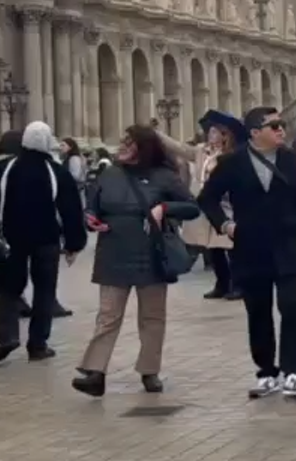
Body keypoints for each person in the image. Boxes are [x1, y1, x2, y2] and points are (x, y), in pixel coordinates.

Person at [199, 108, 296, 399]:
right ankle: (267, 372)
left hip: (287, 245)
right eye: (275, 125)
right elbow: (207, 198)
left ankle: (295, 372)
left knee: (292, 307)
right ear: (255, 132)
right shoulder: (232, 163)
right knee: (258, 311)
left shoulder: (294, 162)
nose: (282, 129)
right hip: (250, 248)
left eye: (282, 124)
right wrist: (225, 224)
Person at [75, 126, 203, 398]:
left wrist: (164, 208)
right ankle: (95, 372)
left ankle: (149, 370)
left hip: (151, 253)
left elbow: (192, 208)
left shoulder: (164, 176)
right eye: (123, 141)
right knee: (108, 316)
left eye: (128, 142)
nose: (122, 146)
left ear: (143, 148)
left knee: (152, 317)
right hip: (113, 252)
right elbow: (91, 206)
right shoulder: (109, 174)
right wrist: (90, 219)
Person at [0, 121, 88, 364]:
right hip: (46, 239)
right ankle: (38, 344)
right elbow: (70, 210)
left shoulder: (3, 168)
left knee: (7, 287)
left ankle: (8, 335)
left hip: (11, 238)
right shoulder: (56, 171)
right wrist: (74, 243)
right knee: (44, 291)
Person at [184, 116, 244, 301]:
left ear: (224, 135)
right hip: (207, 203)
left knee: (231, 247)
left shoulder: (233, 154)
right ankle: (222, 283)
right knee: (213, 248)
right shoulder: (202, 151)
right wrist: (157, 136)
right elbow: (180, 149)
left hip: (226, 203)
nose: (210, 135)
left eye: (214, 132)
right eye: (209, 132)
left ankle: (238, 285)